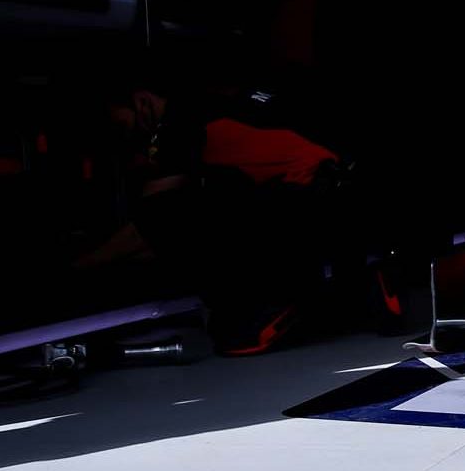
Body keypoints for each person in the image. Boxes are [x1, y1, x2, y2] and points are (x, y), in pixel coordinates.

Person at [76, 77, 343, 355]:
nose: (126, 134)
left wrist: (80, 265)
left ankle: (274, 305)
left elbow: (151, 220)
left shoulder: (177, 123)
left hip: (305, 196)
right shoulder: (205, 107)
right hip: (320, 195)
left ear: (141, 101)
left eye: (122, 125)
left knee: (175, 215)